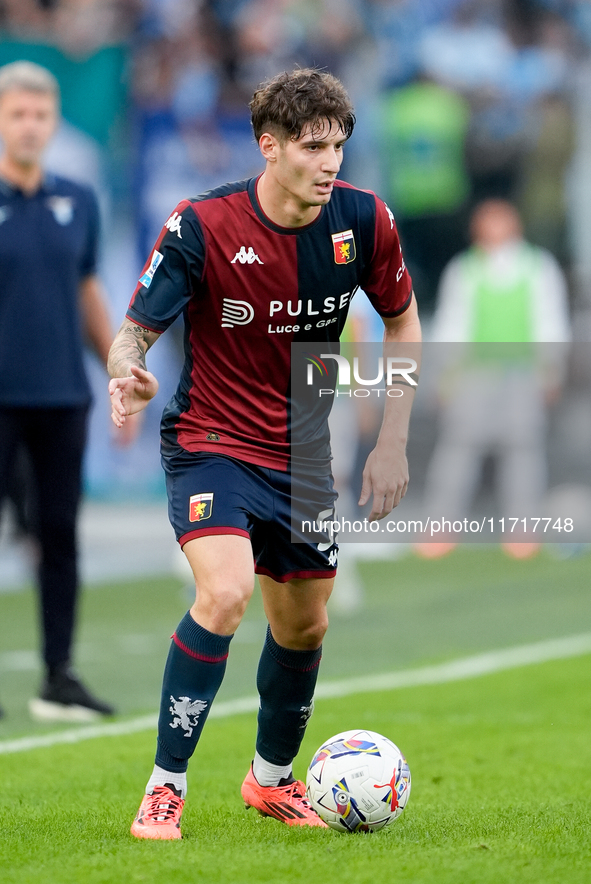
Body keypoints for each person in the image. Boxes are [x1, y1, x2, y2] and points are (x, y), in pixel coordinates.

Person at [108, 68, 421, 840]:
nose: (329, 163)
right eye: (313, 147)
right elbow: (132, 334)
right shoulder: (201, 225)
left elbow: (404, 325)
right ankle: (164, 787)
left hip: (306, 453)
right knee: (222, 595)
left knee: (305, 627)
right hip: (212, 441)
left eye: (339, 146)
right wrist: (127, 373)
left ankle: (271, 781)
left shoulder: (363, 221)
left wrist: (391, 439)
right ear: (268, 146)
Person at [0, 61, 116, 721]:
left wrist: (118, 367)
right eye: (17, 113)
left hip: (62, 395)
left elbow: (86, 291)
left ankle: (59, 675)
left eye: (40, 114)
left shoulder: (79, 199)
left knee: (60, 535)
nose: (29, 125)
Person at [417, 198, 571, 558]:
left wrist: (551, 370)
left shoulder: (538, 267)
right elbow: (453, 326)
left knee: (523, 450)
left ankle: (522, 528)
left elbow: (549, 321)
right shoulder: (465, 269)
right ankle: (441, 526)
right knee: (459, 449)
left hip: (522, 373)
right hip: (475, 374)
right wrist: (445, 376)